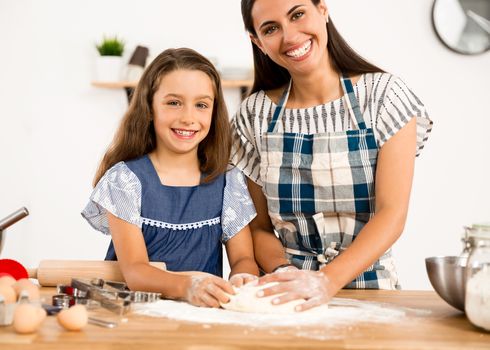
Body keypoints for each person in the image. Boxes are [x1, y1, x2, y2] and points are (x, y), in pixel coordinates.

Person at [231, 0, 433, 311]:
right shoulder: (254, 115)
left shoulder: (384, 97)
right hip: (284, 295)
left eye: (297, 14)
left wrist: (325, 280)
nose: (290, 36)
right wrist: (286, 274)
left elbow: (392, 214)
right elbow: (257, 228)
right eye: (271, 29)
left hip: (372, 293)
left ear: (322, 10)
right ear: (257, 41)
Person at [82, 48, 259, 308]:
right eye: (174, 102)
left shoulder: (228, 181)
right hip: (132, 317)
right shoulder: (125, 180)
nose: (188, 118)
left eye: (201, 105)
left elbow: (243, 257)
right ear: (150, 107)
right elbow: (135, 271)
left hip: (201, 319)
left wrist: (244, 276)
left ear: (214, 111)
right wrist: (187, 285)